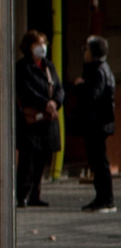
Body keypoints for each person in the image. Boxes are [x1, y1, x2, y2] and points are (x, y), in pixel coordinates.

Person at [15, 30, 67, 208]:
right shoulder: (22, 67)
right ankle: (23, 194)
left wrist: (55, 102)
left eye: (43, 43)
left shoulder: (48, 66)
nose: (41, 48)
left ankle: (36, 194)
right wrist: (45, 103)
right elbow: (26, 90)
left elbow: (59, 87)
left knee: (41, 160)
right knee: (27, 160)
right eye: (37, 44)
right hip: (31, 121)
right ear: (29, 47)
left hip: (47, 120)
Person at [70, 35, 116, 213]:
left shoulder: (97, 71)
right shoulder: (103, 69)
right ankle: (103, 198)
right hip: (100, 122)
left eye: (87, 49)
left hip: (96, 123)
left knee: (99, 161)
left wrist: (80, 85)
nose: (85, 53)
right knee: (98, 161)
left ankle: (105, 199)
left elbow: (92, 96)